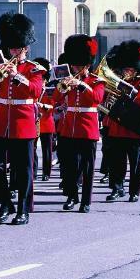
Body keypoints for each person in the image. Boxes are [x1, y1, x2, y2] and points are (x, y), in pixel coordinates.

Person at [0, 12, 46, 226]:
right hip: (2, 123)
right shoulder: (0, 65)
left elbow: (35, 90)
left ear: (25, 48)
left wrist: (17, 76)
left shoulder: (34, 69)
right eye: (11, 48)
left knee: (23, 169)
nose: (14, 52)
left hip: (23, 124)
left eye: (18, 48)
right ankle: (5, 203)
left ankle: (23, 209)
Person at [55, 34, 104, 213]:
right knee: (68, 166)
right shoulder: (68, 79)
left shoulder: (96, 81)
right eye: (74, 65)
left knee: (88, 167)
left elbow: (97, 99)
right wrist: (64, 86)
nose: (75, 68)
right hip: (69, 129)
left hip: (87, 130)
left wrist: (82, 86)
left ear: (87, 65)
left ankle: (86, 201)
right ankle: (71, 196)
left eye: (79, 66)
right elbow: (57, 97)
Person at [103, 40, 140, 203]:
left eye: (131, 69)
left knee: (136, 162)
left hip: (134, 128)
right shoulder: (115, 80)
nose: (127, 72)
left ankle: (134, 191)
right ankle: (117, 188)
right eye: (126, 69)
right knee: (117, 161)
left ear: (136, 69)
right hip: (117, 126)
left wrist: (127, 92)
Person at [34, 57, 56, 182]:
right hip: (35, 123)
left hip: (47, 123)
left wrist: (42, 106)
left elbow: (53, 106)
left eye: (42, 79)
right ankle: (34, 171)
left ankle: (46, 173)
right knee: (33, 149)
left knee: (47, 150)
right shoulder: (35, 91)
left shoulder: (49, 91)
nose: (40, 81)